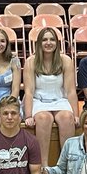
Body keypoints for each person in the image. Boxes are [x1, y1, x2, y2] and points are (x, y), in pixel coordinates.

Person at [24, 27, 77, 165]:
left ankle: (66, 165)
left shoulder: (65, 60)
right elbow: (29, 91)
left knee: (67, 117)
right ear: (39, 43)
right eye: (45, 39)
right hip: (38, 100)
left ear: (57, 43)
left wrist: (76, 115)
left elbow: (71, 90)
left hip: (60, 100)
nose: (48, 43)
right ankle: (44, 167)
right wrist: (28, 116)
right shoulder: (31, 61)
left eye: (52, 39)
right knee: (43, 118)